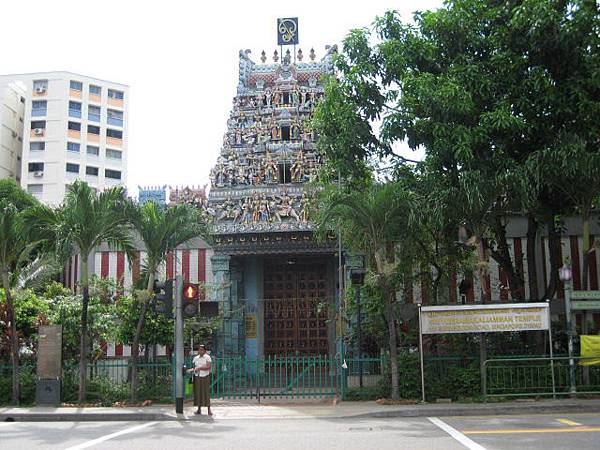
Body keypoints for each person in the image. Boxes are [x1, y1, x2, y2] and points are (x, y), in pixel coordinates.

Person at [187, 345, 212, 415]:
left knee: (206, 392)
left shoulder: (207, 357)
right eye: (199, 350)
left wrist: (200, 368)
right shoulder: (195, 358)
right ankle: (199, 409)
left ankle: (209, 409)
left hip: (205, 376)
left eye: (202, 350)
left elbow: (209, 367)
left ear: (205, 351)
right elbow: (194, 367)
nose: (200, 351)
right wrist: (191, 370)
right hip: (197, 376)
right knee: (198, 392)